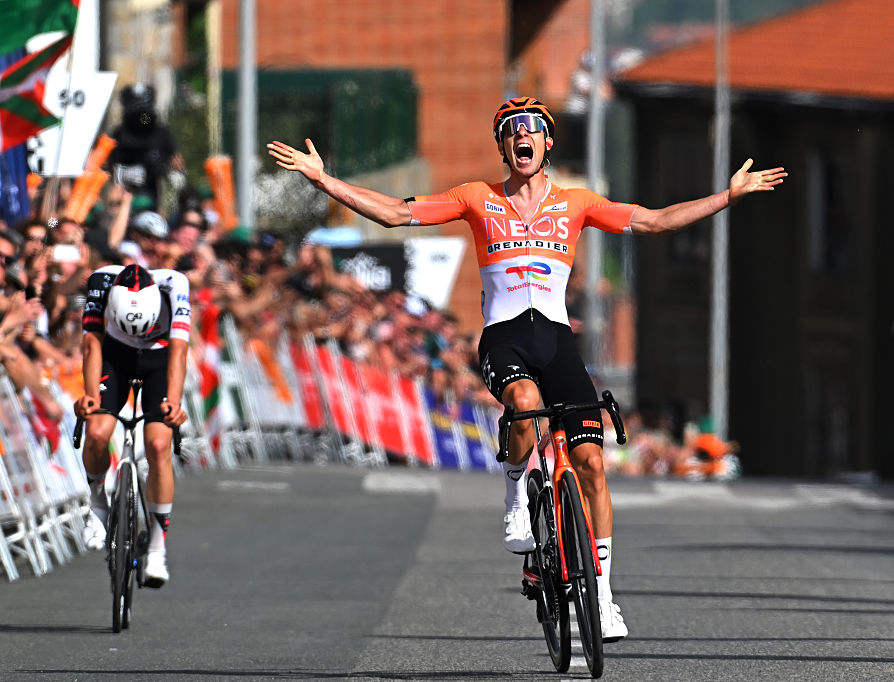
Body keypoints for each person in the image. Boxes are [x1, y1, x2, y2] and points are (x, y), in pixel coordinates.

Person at [267, 95, 786, 641]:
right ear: (503, 146)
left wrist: (728, 196)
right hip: (504, 339)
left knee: (591, 462)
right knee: (525, 404)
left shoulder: (576, 203)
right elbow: (396, 213)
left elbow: (655, 222)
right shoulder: (477, 198)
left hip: (557, 343)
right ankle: (516, 493)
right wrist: (324, 181)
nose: (522, 135)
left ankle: (603, 596)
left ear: (547, 142)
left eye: (532, 127)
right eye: (511, 129)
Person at [73, 263, 190, 588]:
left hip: (160, 358)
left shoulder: (175, 285)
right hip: (115, 355)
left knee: (158, 445)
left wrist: (174, 403)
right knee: (97, 432)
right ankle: (98, 504)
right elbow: (91, 344)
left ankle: (157, 549)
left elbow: (180, 351)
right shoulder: (101, 281)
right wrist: (91, 396)